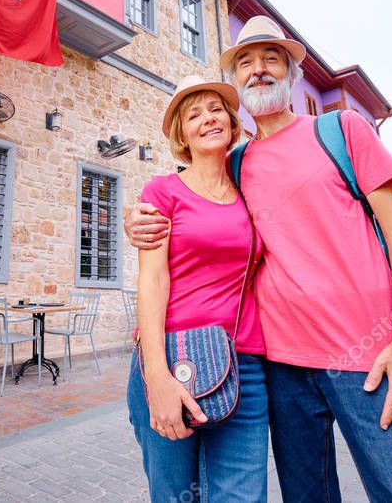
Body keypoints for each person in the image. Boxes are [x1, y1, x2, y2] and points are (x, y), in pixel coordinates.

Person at [127, 16, 392, 502]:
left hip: (369, 355)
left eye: (271, 59)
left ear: (292, 74)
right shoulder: (236, 164)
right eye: (246, 62)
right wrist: (139, 221)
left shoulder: (341, 129)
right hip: (282, 366)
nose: (258, 70)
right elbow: (185, 216)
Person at [128, 75, 270, 502]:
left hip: (243, 362)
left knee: (243, 496)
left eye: (215, 110)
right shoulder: (162, 191)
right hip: (171, 360)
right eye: (194, 115)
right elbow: (152, 281)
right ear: (181, 135)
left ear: (231, 121)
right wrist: (157, 378)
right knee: (174, 496)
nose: (207, 119)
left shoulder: (252, 190)